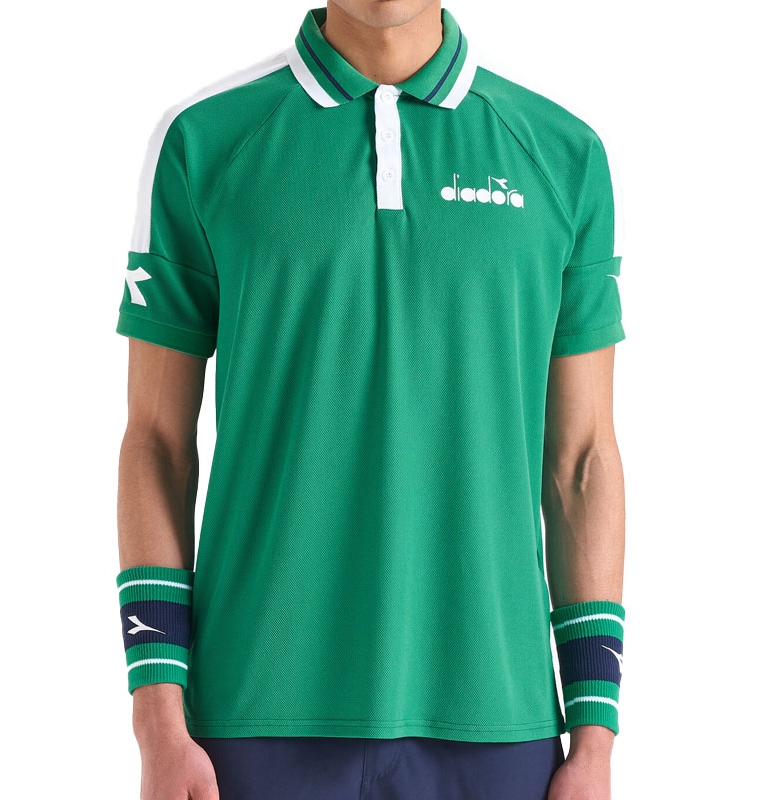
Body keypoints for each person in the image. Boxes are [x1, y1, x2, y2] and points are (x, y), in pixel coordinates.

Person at [115, 2, 627, 798]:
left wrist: (596, 738)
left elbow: (582, 461)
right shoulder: (205, 141)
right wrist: (157, 719)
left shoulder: (562, 155)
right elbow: (157, 443)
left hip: (499, 720)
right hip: (252, 718)